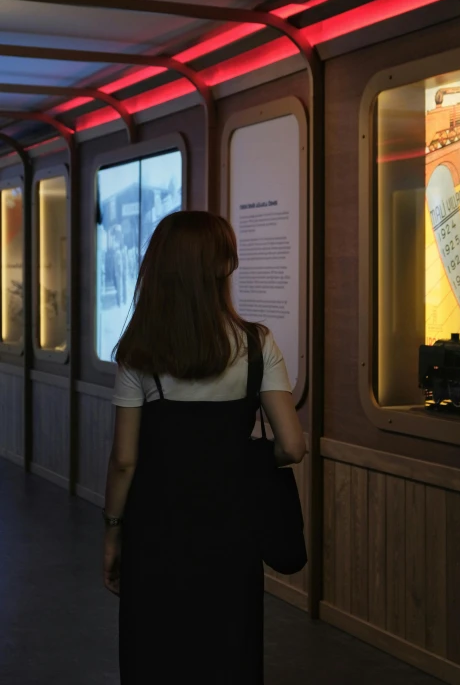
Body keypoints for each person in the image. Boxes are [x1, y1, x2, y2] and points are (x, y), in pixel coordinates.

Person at [102, 210, 306, 684]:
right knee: (228, 658)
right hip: (230, 535)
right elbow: (292, 446)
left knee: (154, 656)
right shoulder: (257, 344)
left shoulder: (139, 352)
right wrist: (247, 458)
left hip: (155, 536)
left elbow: (125, 461)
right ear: (222, 268)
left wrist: (112, 532)